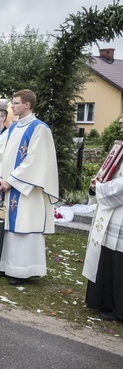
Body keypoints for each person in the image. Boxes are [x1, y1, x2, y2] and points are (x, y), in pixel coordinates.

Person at [0, 89, 59, 285]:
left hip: (25, 189)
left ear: (27, 105)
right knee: (8, 225)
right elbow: (1, 155)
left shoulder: (39, 128)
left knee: (24, 226)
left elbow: (35, 161)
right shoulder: (13, 128)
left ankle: (23, 270)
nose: (12, 106)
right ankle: (4, 265)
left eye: (16, 103)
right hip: (6, 187)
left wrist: (11, 180)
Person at [83, 114, 123, 322]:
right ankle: (102, 301)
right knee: (107, 255)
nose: (120, 122)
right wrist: (96, 184)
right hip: (110, 211)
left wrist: (101, 188)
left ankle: (118, 308)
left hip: (120, 212)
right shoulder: (120, 147)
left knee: (119, 260)